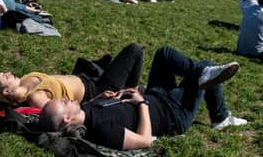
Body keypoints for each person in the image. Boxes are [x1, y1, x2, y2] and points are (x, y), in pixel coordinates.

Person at [40, 47, 247, 150]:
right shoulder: (101, 129)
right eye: (64, 102)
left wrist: (113, 95)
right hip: (172, 115)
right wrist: (141, 103)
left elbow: (112, 106)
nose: (67, 98)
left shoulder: (87, 109)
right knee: (205, 66)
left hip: (156, 95)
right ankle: (219, 116)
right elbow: (145, 140)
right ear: (67, 119)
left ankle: (203, 77)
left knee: (164, 53)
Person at [0, 43, 144, 109]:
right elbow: (65, 113)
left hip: (85, 77)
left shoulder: (24, 79)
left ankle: (106, 70)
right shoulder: (36, 97)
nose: (8, 73)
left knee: (93, 62)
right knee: (134, 50)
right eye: (5, 77)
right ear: (5, 91)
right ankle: (132, 90)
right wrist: (95, 100)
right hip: (96, 90)